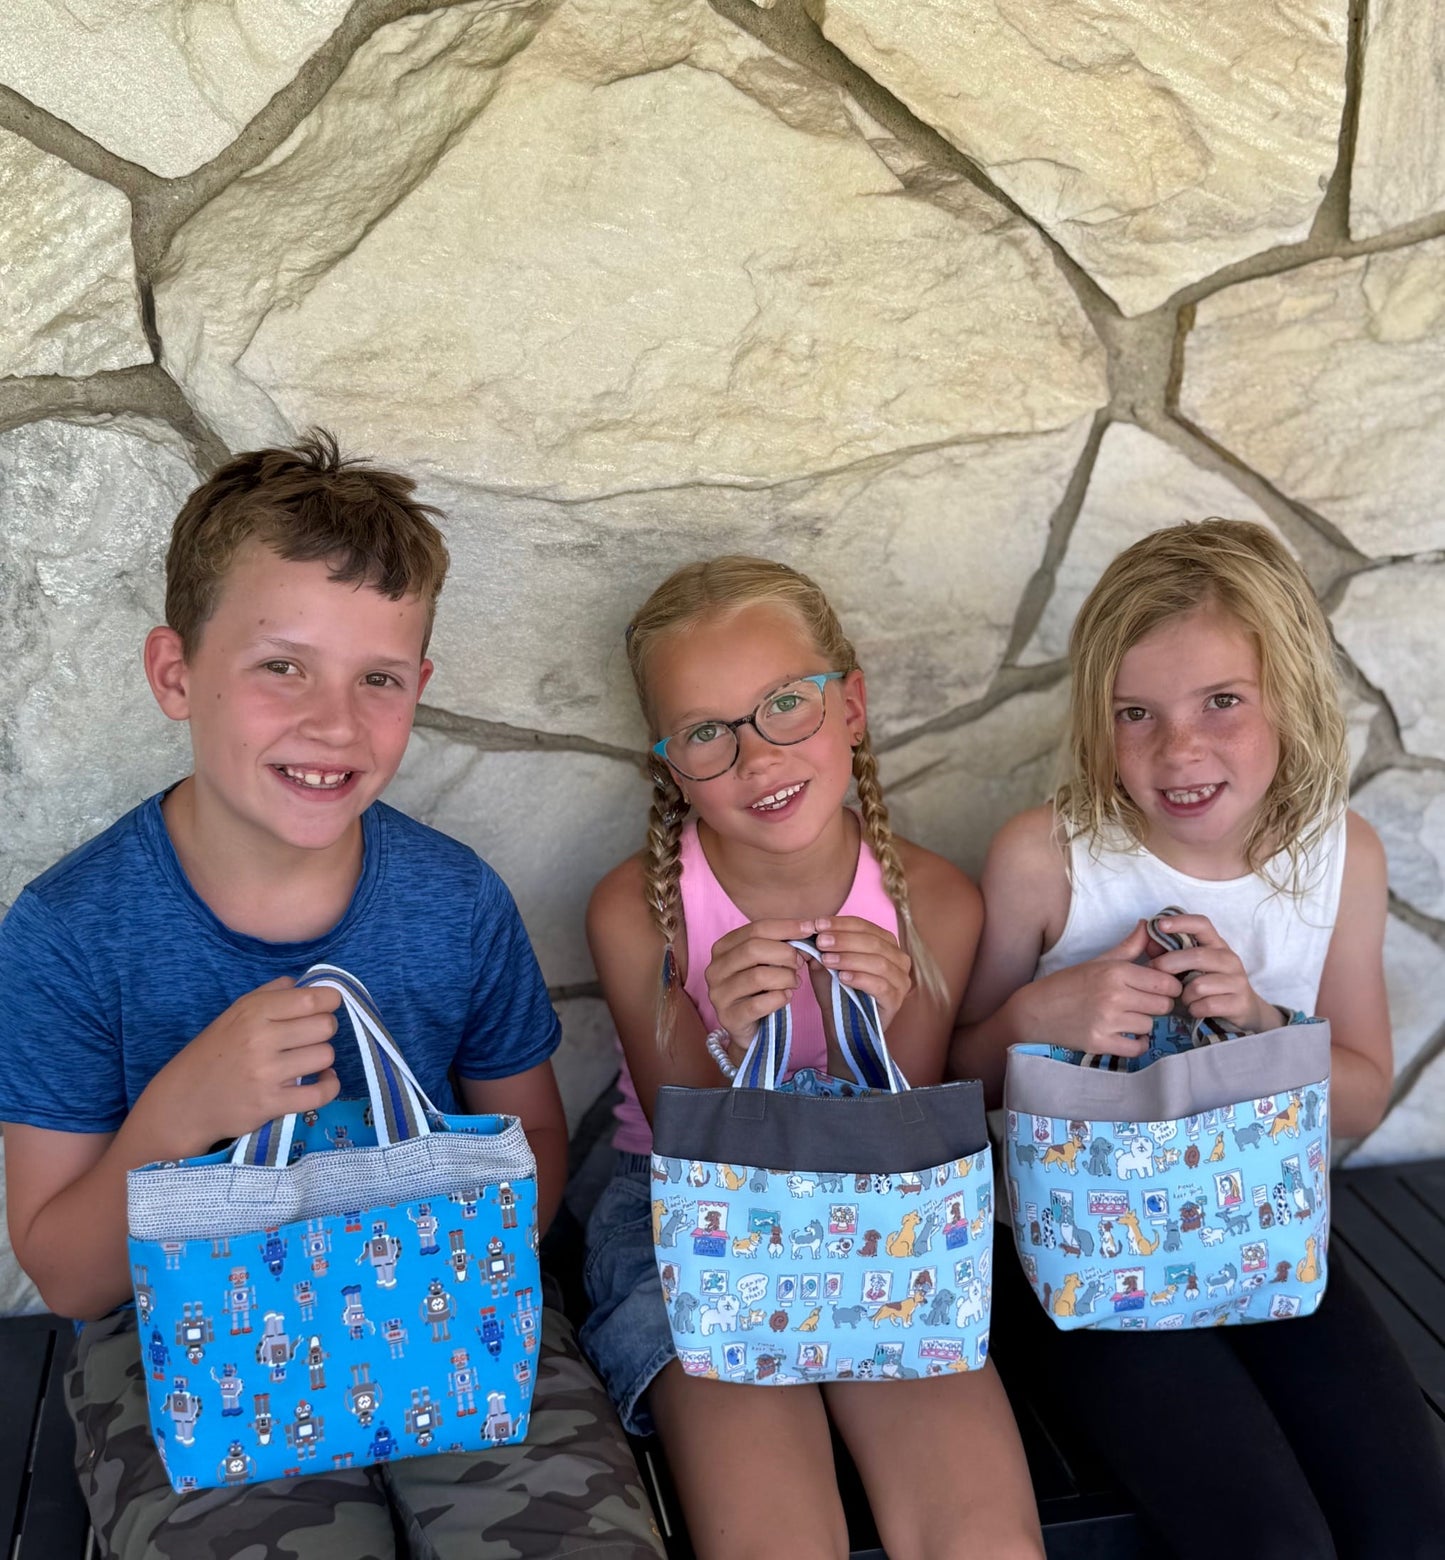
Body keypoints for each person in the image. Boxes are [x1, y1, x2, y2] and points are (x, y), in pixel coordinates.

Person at [0, 434, 662, 1560]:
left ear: (419, 691)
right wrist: (179, 1116)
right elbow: (64, 1269)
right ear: (175, 673)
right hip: (183, 1337)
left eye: (379, 679)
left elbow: (534, 1131)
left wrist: (437, 1255)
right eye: (281, 666)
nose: (335, 722)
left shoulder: (453, 904)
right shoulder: (69, 933)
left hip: (452, 1303)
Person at [954, 518, 1445, 1559]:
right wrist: (1038, 1020)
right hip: (1072, 1263)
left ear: (1288, 697)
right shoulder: (1046, 859)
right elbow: (948, 1078)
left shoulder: (1337, 859)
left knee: (1409, 1519)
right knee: (1270, 1542)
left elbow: (1358, 1094)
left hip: (1260, 1239)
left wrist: (1262, 1026)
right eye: (1135, 714)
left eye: (1220, 702)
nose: (1178, 750)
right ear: (1097, 721)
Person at [583, 556, 1044, 1560]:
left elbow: (908, 1132)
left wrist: (876, 1014)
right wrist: (725, 1038)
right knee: (777, 1540)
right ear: (668, 762)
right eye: (706, 732)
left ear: (850, 708)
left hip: (885, 1222)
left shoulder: (937, 905)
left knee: (983, 1539)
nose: (755, 757)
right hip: (685, 1226)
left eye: (784, 704)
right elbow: (680, 1138)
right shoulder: (638, 913)